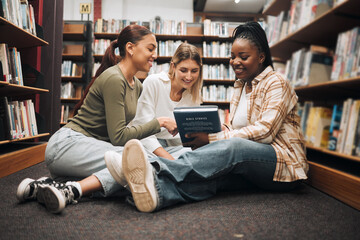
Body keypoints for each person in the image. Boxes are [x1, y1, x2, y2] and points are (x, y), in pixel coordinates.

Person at [105, 21, 309, 213]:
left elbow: (264, 132)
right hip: (254, 166)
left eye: (243, 56)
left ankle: (152, 170)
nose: (235, 62)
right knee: (211, 178)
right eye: (232, 56)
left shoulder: (276, 83)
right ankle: (155, 195)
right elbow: (237, 130)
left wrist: (212, 139)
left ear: (261, 57)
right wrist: (220, 129)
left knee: (233, 147)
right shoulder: (240, 86)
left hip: (284, 165)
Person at [15, 25, 177, 213]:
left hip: (83, 151)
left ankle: (47, 186)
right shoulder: (115, 79)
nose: (154, 55)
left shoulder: (137, 86)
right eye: (150, 48)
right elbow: (118, 137)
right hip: (67, 145)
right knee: (139, 163)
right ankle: (73, 191)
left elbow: (135, 131)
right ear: (130, 48)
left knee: (140, 166)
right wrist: (160, 123)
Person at [130, 42, 203, 160]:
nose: (189, 77)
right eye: (183, 70)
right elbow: (143, 131)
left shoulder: (194, 93)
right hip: (148, 144)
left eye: (194, 71)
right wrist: (171, 161)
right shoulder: (154, 82)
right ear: (173, 67)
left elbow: (189, 135)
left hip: (176, 147)